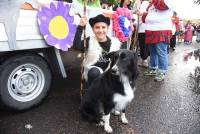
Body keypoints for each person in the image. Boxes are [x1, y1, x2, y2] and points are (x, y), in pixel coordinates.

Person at [73, 14, 121, 86]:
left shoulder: (115, 43)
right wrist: (80, 27)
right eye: (97, 27)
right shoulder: (89, 40)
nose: (100, 30)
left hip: (109, 73)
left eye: (103, 27)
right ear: (93, 29)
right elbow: (76, 46)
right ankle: (94, 93)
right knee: (94, 73)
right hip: (93, 72)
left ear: (107, 28)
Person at [140, 0, 174, 81]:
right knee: (153, 52)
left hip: (162, 29)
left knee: (161, 52)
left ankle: (162, 71)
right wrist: (144, 14)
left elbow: (162, 6)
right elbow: (149, 16)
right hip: (151, 30)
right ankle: (153, 68)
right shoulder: (151, 4)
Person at [137, 0, 150, 67]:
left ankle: (145, 61)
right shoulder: (145, 3)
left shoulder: (145, 3)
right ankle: (144, 60)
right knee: (144, 45)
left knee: (143, 45)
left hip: (143, 28)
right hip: (144, 28)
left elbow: (141, 15)